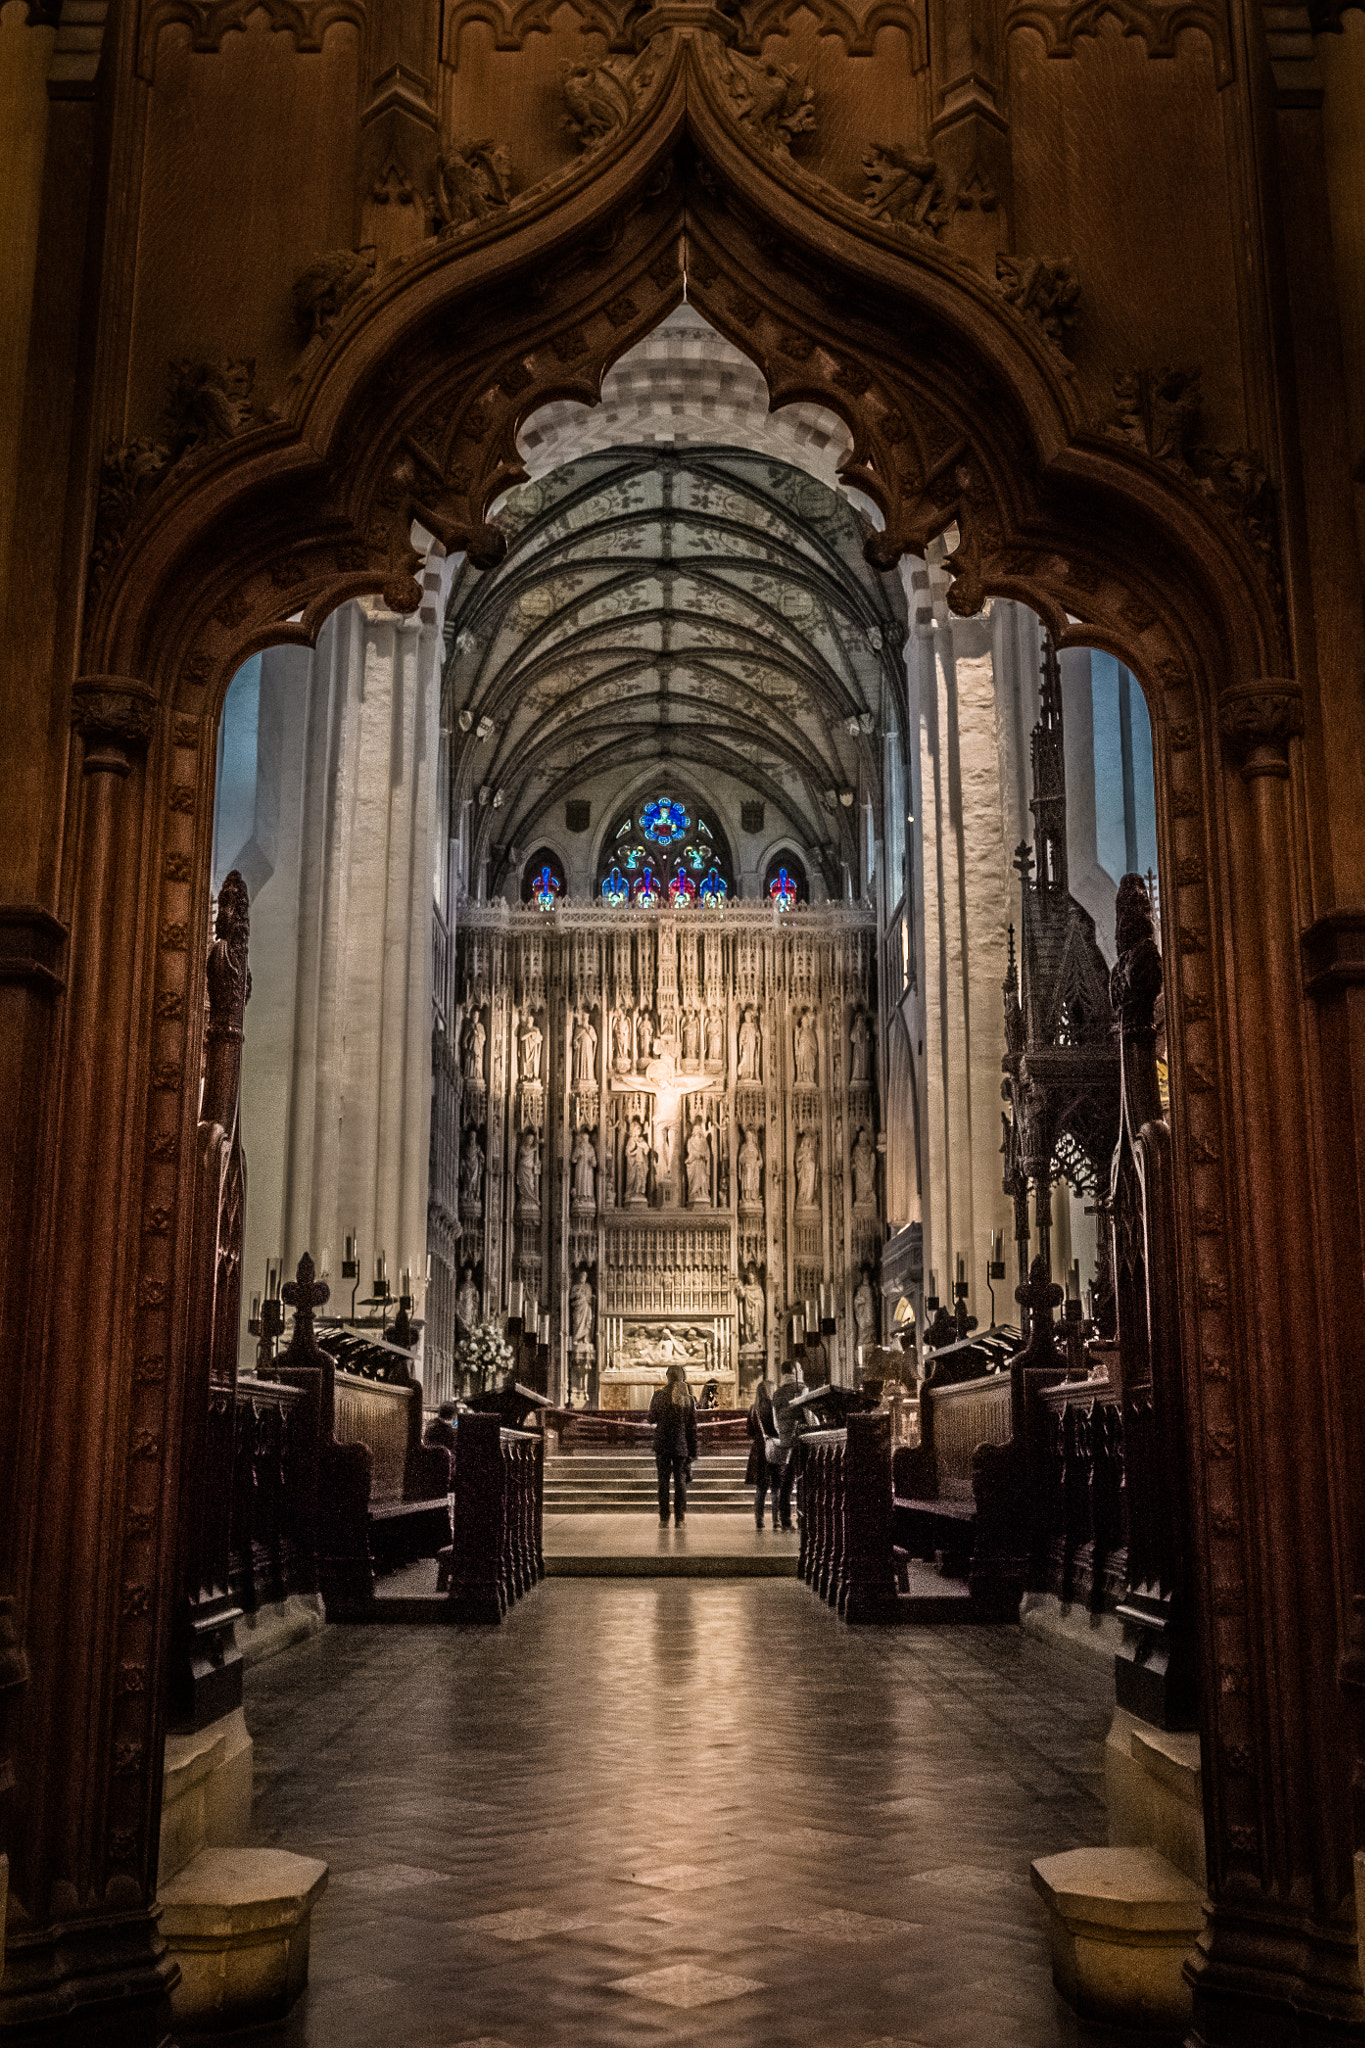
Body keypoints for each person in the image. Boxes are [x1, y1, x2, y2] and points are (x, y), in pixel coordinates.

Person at [648, 1361, 697, 1527]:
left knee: (662, 1482)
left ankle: (663, 1518)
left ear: (667, 1377)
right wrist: (693, 1451)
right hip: (680, 1444)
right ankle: (680, 1519)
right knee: (680, 1483)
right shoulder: (688, 1399)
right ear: (682, 1377)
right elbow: (692, 1428)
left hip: (662, 1444)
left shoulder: (658, 1396)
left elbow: (651, 1418)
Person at [745, 1373, 783, 1530]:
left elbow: (749, 1431)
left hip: (759, 1450)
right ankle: (776, 1520)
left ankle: (759, 1520)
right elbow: (779, 1428)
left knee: (761, 1487)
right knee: (776, 1487)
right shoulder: (776, 1408)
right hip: (775, 1448)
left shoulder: (753, 1409)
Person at [769, 1357, 804, 1529]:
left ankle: (785, 1518)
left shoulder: (777, 1393)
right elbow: (808, 1415)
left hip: (785, 1440)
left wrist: (783, 1435)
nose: (802, 1371)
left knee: (787, 1482)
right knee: (803, 1481)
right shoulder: (801, 1389)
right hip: (800, 1439)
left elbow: (775, 1420)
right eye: (799, 1369)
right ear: (794, 1372)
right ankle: (803, 1517)